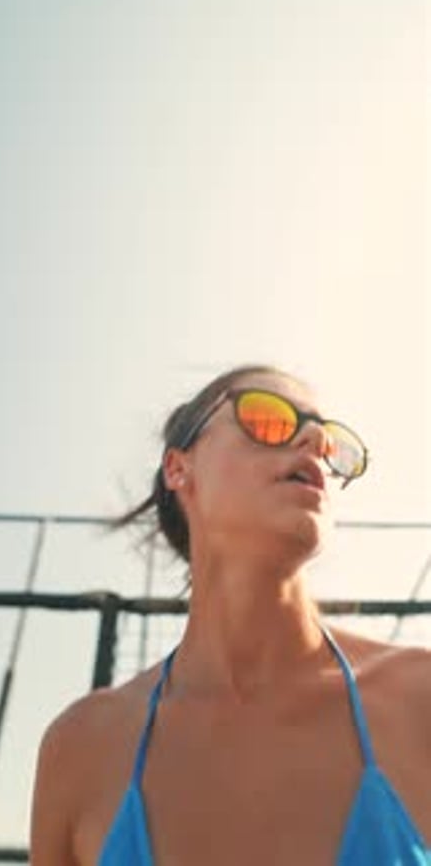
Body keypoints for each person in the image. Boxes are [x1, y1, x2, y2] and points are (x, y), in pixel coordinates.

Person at [30, 363, 431, 865]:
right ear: (179, 468)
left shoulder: (420, 701)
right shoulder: (83, 747)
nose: (312, 439)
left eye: (329, 442)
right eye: (267, 419)